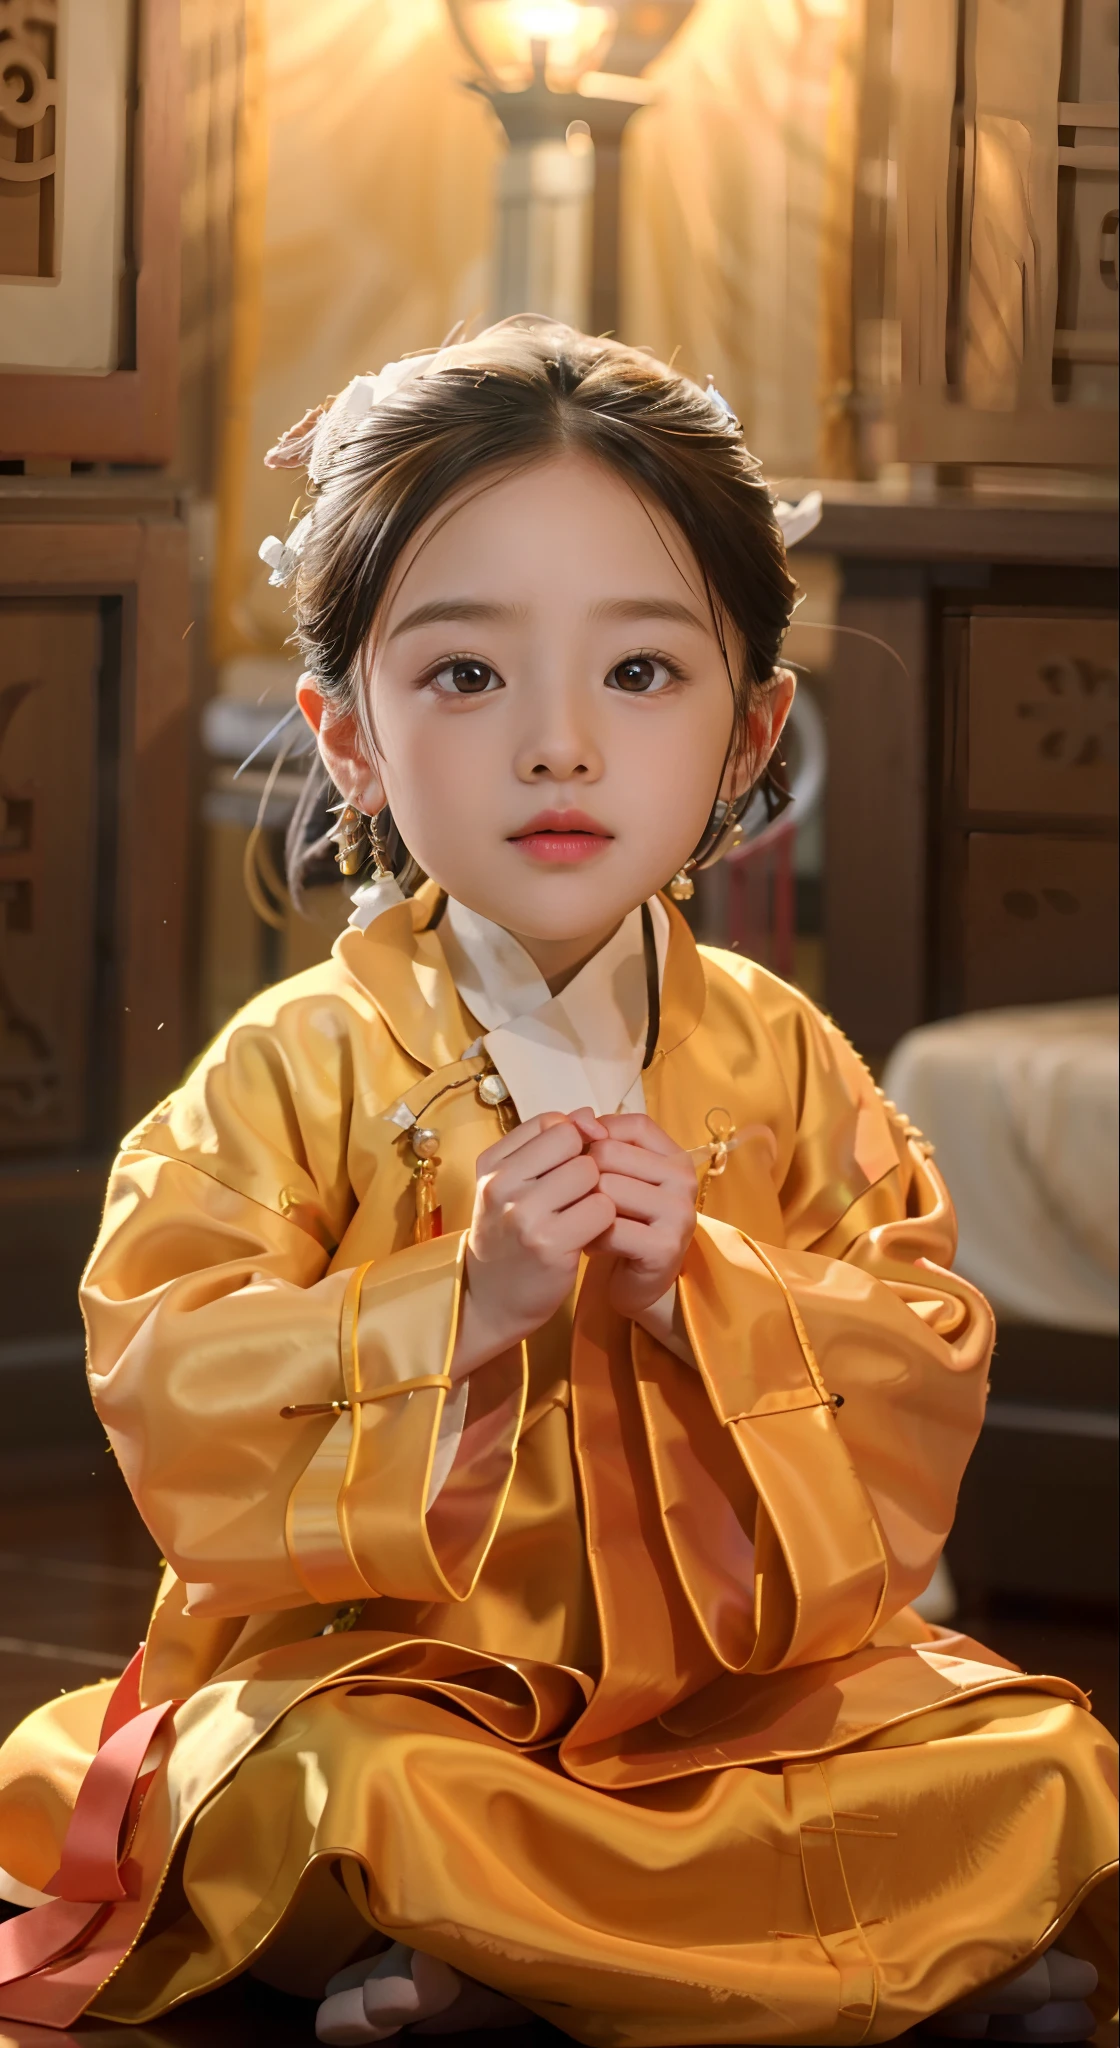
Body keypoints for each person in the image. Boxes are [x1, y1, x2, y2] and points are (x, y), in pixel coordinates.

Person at [0, 320, 1114, 2045]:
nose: (561, 748)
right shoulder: (297, 1065)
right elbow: (171, 1377)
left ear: (754, 733)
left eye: (643, 675)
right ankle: (858, 1961)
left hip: (737, 1690)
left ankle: (507, 1970)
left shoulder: (784, 1057)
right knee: (370, 1786)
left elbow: (917, 1345)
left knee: (1037, 1754)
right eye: (464, 676)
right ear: (347, 735)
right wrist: (464, 1302)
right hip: (408, 1677)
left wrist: (713, 1291)